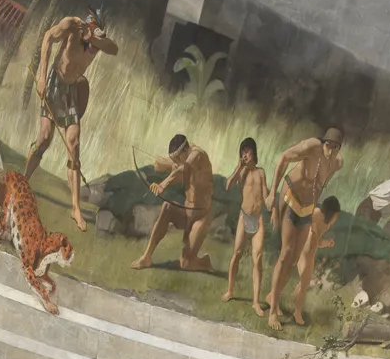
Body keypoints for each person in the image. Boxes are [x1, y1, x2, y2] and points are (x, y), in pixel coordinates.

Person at [22, 11, 117, 230]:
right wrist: (42, 76)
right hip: (54, 84)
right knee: (45, 137)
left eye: (97, 38)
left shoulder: (97, 42)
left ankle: (75, 208)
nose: (93, 44)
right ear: (86, 27)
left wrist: (98, 40)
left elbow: (114, 49)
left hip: (72, 90)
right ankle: (23, 180)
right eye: (91, 36)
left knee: (73, 144)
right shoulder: (72, 26)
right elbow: (48, 37)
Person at [268, 126, 343, 327]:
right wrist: (272, 194)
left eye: (335, 147)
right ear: (323, 142)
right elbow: (284, 158)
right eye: (328, 145)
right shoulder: (311, 146)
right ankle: (272, 313)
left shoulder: (336, 163)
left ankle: (272, 297)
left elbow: (321, 186)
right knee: (286, 253)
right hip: (291, 196)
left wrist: (313, 211)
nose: (330, 150)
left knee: (294, 260)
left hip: (307, 207)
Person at [134, 133, 217, 271]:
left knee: (186, 264)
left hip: (201, 216)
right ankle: (146, 257)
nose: (177, 161)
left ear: (186, 149)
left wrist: (162, 185)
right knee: (167, 207)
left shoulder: (197, 154)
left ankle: (203, 261)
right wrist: (169, 163)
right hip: (187, 211)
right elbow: (159, 165)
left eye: (178, 158)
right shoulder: (182, 157)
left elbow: (183, 169)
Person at [223, 138, 271, 313]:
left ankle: (256, 302)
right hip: (244, 218)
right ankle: (230, 291)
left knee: (257, 259)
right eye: (243, 152)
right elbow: (228, 185)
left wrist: (272, 203)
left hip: (257, 219)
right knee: (236, 254)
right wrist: (238, 167)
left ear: (254, 153)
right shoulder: (241, 173)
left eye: (248, 151)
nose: (245, 155)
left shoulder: (261, 172)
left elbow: (265, 195)